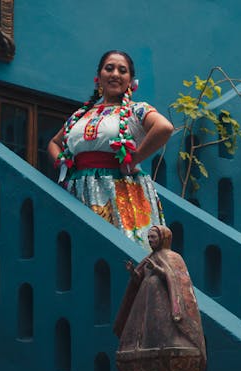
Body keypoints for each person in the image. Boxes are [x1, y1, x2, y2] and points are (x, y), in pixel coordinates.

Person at [48, 50, 173, 249]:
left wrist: (134, 159)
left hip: (120, 191)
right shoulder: (81, 116)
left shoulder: (136, 110)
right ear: (98, 77)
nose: (115, 74)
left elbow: (164, 128)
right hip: (79, 191)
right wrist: (65, 165)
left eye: (122, 70)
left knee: (123, 252)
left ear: (131, 81)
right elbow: (54, 142)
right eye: (109, 68)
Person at [113, 225, 206, 371]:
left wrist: (161, 271)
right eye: (148, 237)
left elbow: (179, 281)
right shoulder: (149, 258)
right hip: (147, 309)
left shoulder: (173, 257)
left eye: (153, 237)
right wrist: (134, 274)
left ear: (163, 238)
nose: (150, 240)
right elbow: (141, 279)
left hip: (164, 311)